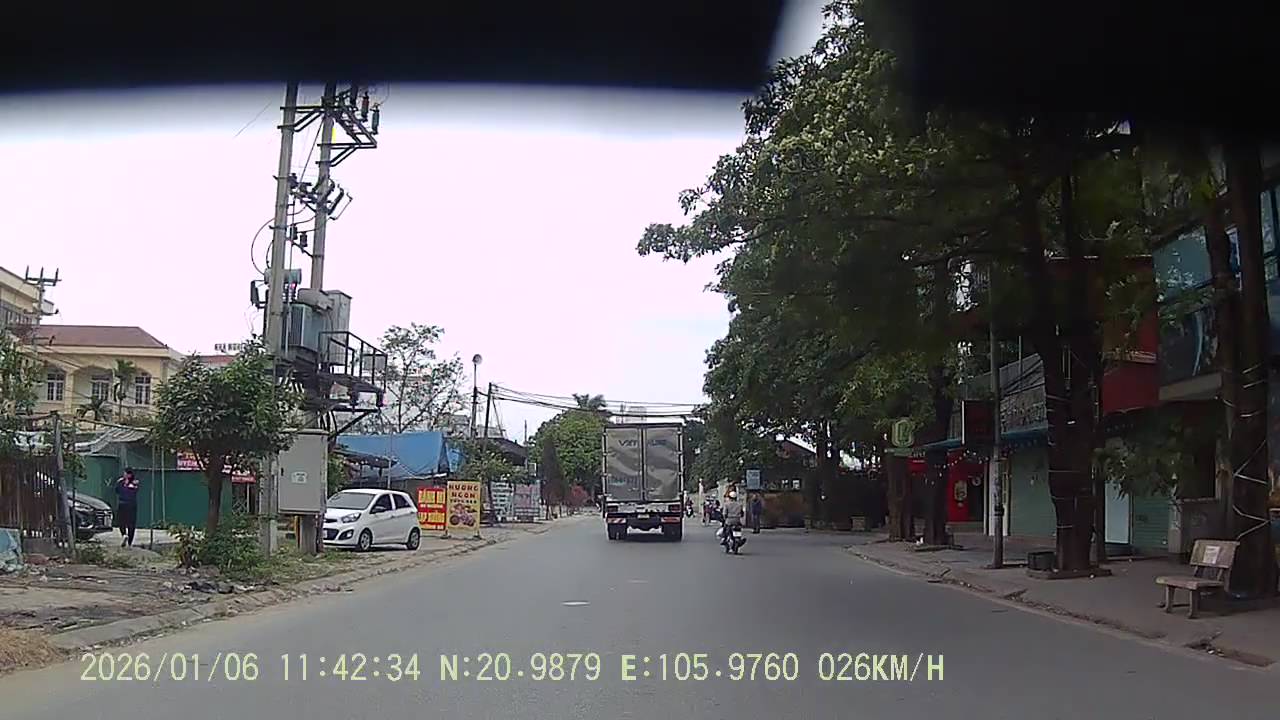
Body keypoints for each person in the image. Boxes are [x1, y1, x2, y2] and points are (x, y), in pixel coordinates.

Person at [114, 467, 139, 548]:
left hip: (131, 505)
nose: (124, 474)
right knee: (121, 521)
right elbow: (117, 490)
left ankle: (129, 542)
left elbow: (134, 491)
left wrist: (128, 485)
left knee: (131, 524)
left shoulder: (134, 483)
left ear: (130, 475)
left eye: (126, 473)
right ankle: (124, 535)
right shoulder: (120, 481)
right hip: (122, 504)